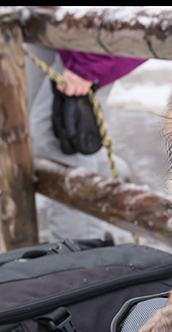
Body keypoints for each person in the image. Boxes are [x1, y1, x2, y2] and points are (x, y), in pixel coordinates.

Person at [25, 45, 146, 240]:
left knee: (57, 137)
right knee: (28, 129)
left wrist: (89, 62)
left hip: (91, 44)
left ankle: (80, 251)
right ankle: (108, 171)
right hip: (52, 30)